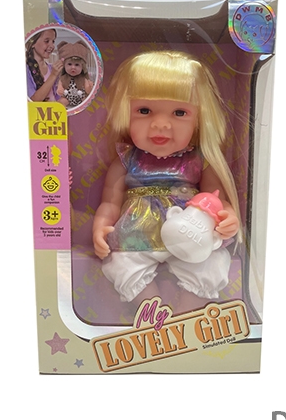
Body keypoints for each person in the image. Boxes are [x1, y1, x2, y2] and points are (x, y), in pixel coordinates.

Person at [92, 50, 241, 314]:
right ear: (126, 113)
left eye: (179, 112)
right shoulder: (126, 159)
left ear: (199, 120)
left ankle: (187, 315)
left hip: (190, 234)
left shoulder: (200, 160)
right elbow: (110, 202)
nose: (160, 124)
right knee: (122, 264)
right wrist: (101, 226)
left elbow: (216, 198)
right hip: (137, 235)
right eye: (144, 111)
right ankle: (154, 315)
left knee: (212, 262)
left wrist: (227, 217)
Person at [25, 28, 63, 102]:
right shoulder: (26, 70)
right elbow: (34, 100)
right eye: (47, 41)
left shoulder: (51, 68)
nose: (52, 46)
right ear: (33, 43)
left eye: (53, 41)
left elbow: (57, 96)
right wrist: (53, 75)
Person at [56, 41, 94, 108]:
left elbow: (88, 89)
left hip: (81, 98)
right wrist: (60, 89)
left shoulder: (83, 78)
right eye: (69, 64)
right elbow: (60, 87)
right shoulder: (63, 78)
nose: (73, 67)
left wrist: (89, 87)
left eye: (77, 65)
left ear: (82, 67)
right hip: (67, 98)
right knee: (60, 102)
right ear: (64, 65)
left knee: (87, 103)